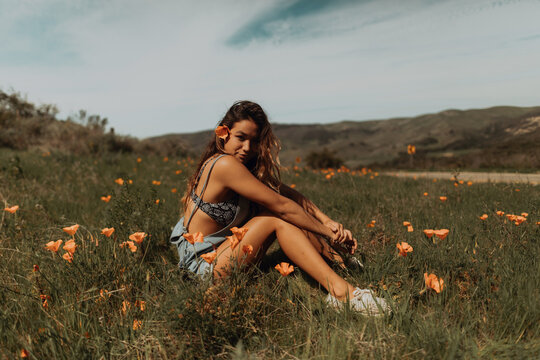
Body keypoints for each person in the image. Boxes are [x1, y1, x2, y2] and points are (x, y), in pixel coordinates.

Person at [170, 101, 389, 315]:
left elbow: (289, 195)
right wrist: (328, 233)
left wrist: (327, 222)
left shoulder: (243, 167)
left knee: (293, 216)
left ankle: (343, 265)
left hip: (222, 254)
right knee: (277, 219)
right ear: (223, 133)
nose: (247, 148)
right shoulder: (224, 165)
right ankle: (343, 295)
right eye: (241, 138)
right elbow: (282, 207)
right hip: (202, 268)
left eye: (254, 141)